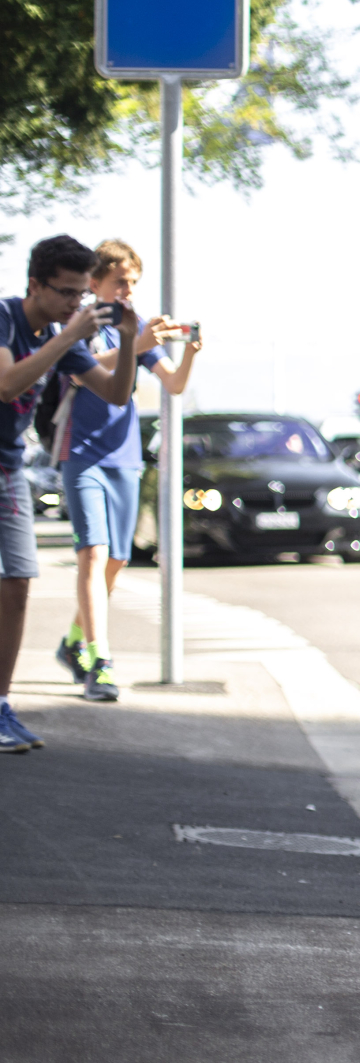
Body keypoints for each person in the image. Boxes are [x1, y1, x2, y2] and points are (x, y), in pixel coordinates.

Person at [0, 236, 148, 752]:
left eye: (80, 294)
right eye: (65, 293)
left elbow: (114, 391)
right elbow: (7, 384)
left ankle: (0, 707)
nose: (74, 304)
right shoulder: (5, 319)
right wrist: (68, 338)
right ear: (35, 285)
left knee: (18, 583)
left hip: (8, 467)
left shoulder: (66, 333)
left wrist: (129, 340)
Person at [55, 240, 195, 702]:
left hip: (126, 457)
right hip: (82, 456)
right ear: (94, 284)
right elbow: (83, 371)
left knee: (116, 560)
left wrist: (189, 350)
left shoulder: (135, 328)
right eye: (120, 281)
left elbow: (172, 383)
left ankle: (74, 641)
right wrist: (138, 344)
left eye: (133, 282)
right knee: (93, 555)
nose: (128, 290)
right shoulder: (85, 324)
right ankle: (100, 661)